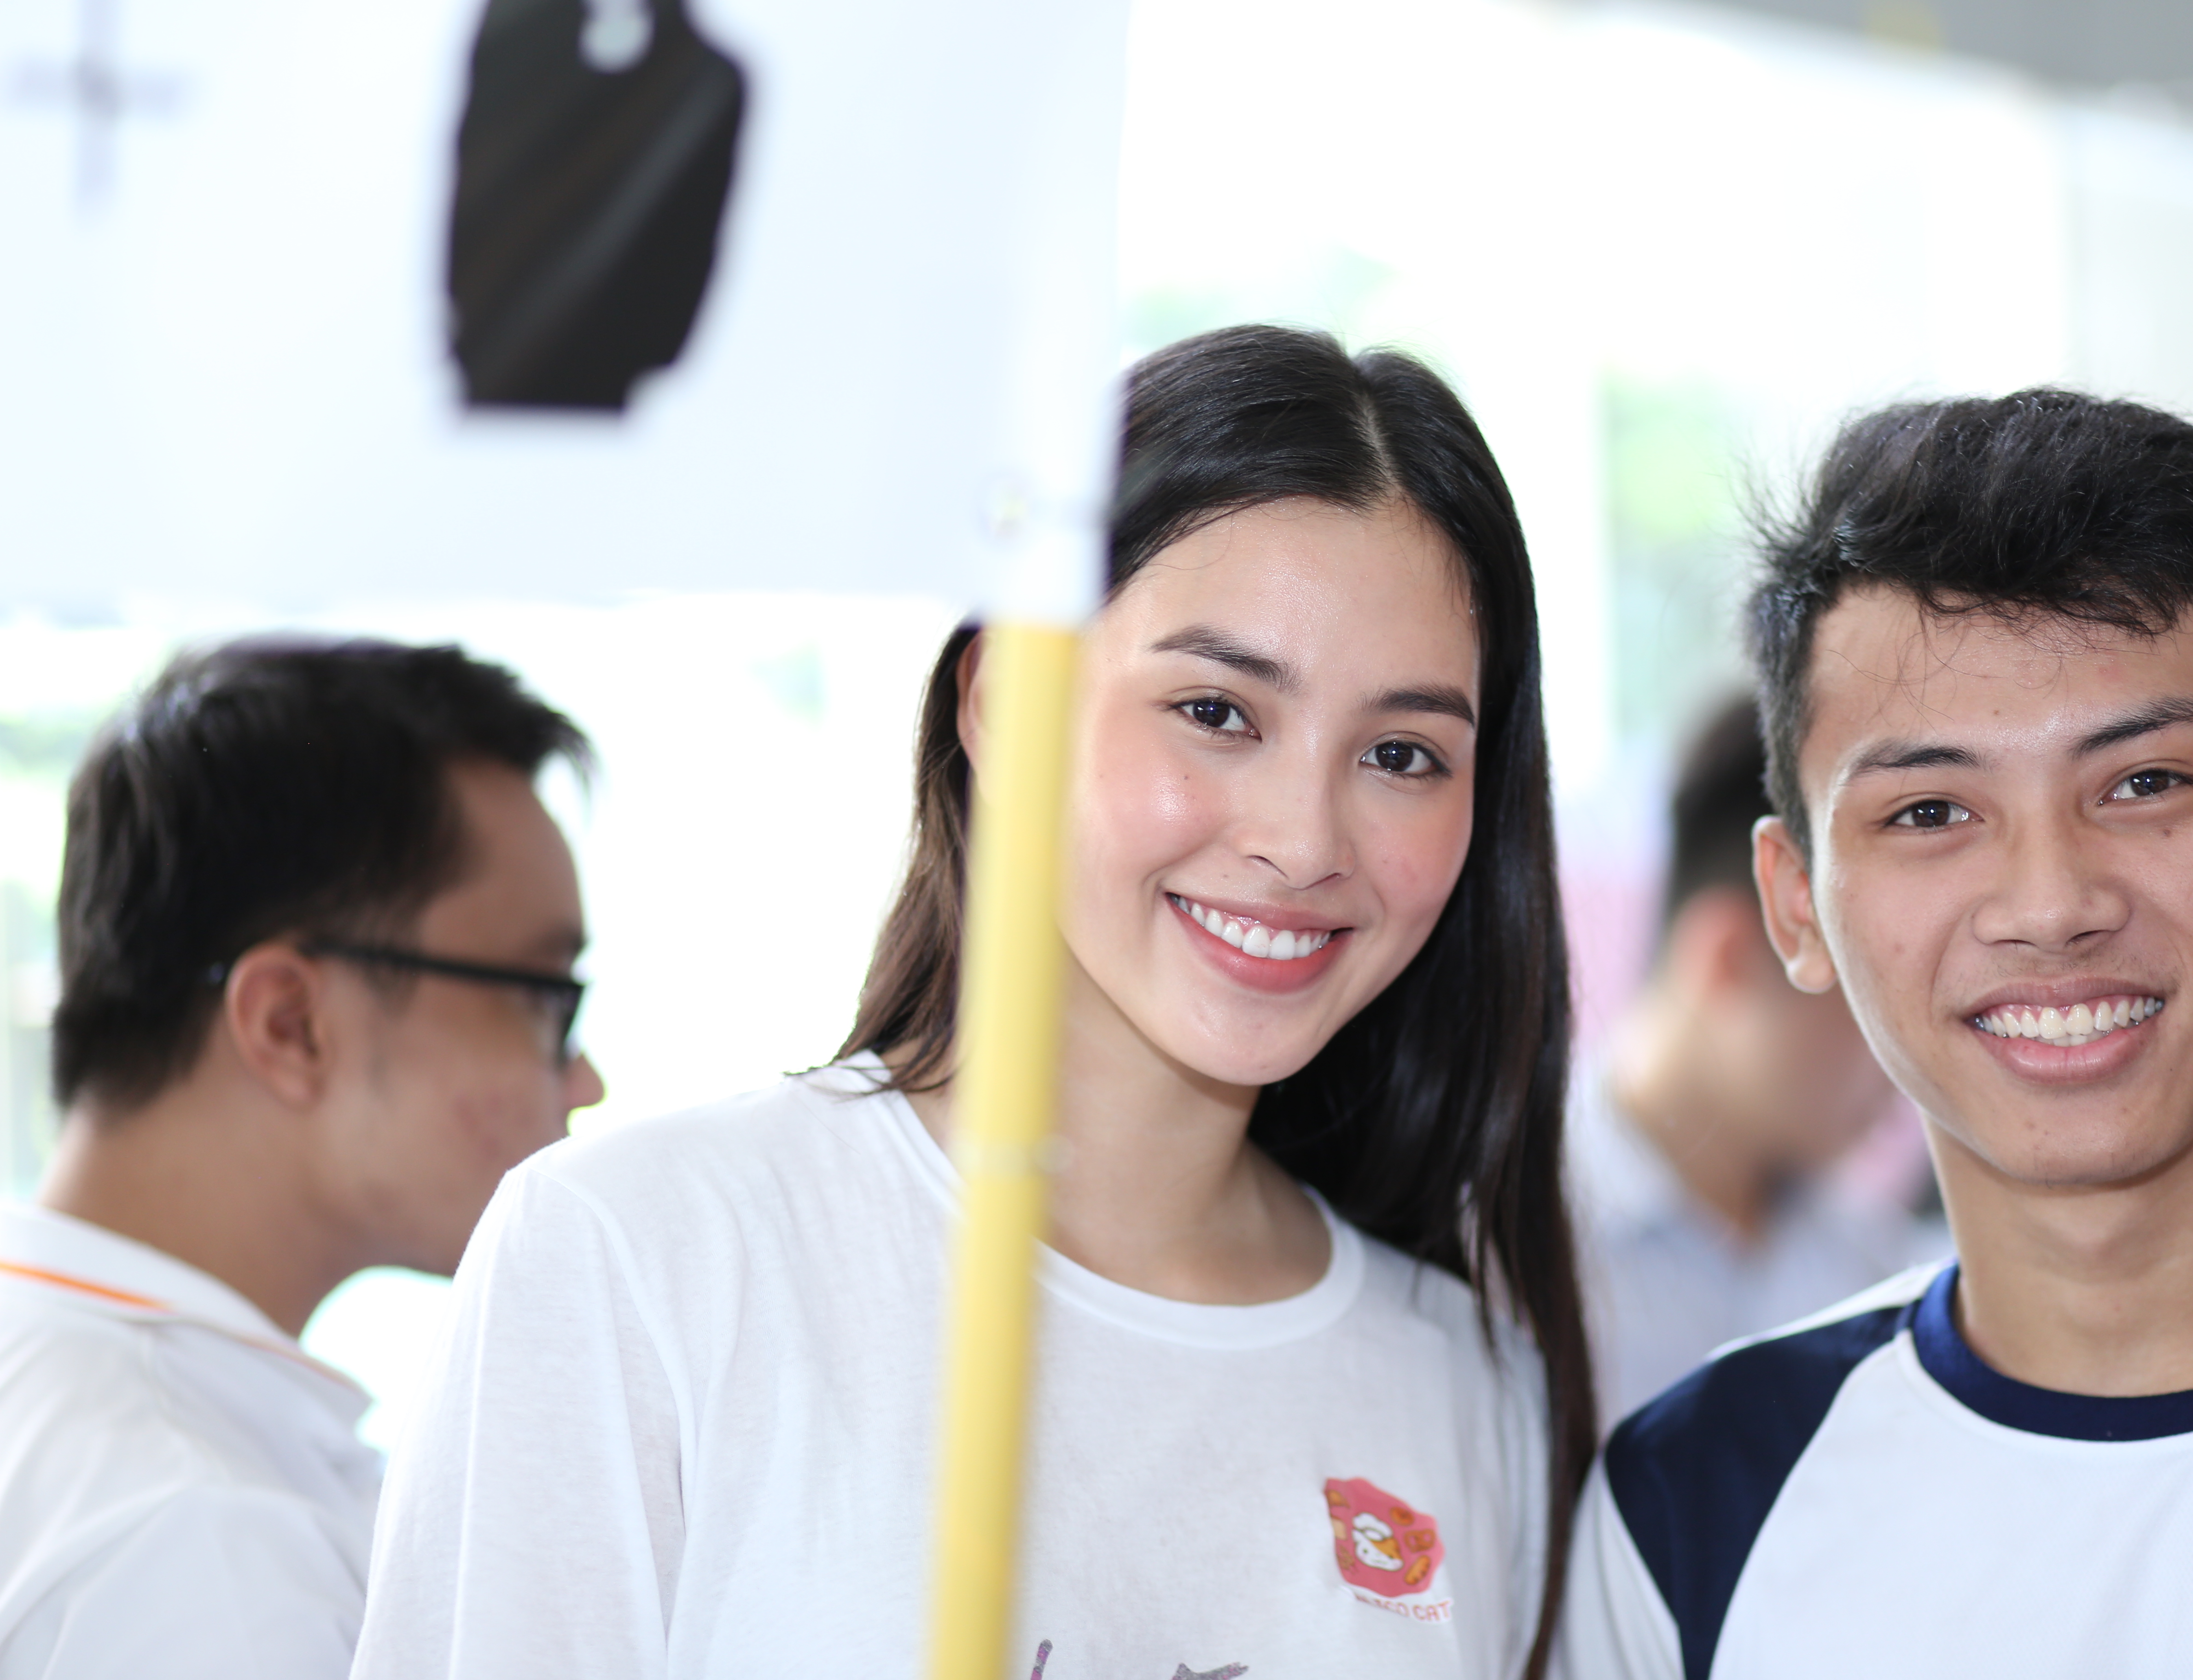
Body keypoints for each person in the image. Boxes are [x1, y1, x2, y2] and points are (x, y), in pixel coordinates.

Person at [350, 325, 1593, 1680]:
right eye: (1217, 712)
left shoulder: (1468, 1394)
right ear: (1002, 707)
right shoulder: (646, 1259)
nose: (1304, 841)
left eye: (1402, 754)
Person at [1560, 391, 2193, 1676]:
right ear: (1796, 905)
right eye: (1930, 812)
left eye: (2146, 783)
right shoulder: (1694, 1509)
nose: (2053, 905)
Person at [0, 638, 603, 1680]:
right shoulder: (204, 1543)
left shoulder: (71, 1395)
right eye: (543, 998)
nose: (585, 1080)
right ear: (291, 1024)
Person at [1571, 694, 1935, 1422]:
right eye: (1870, 998)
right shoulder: (1501, 1252)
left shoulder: (1870, 1262)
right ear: (1732, 956)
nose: (1908, 1063)